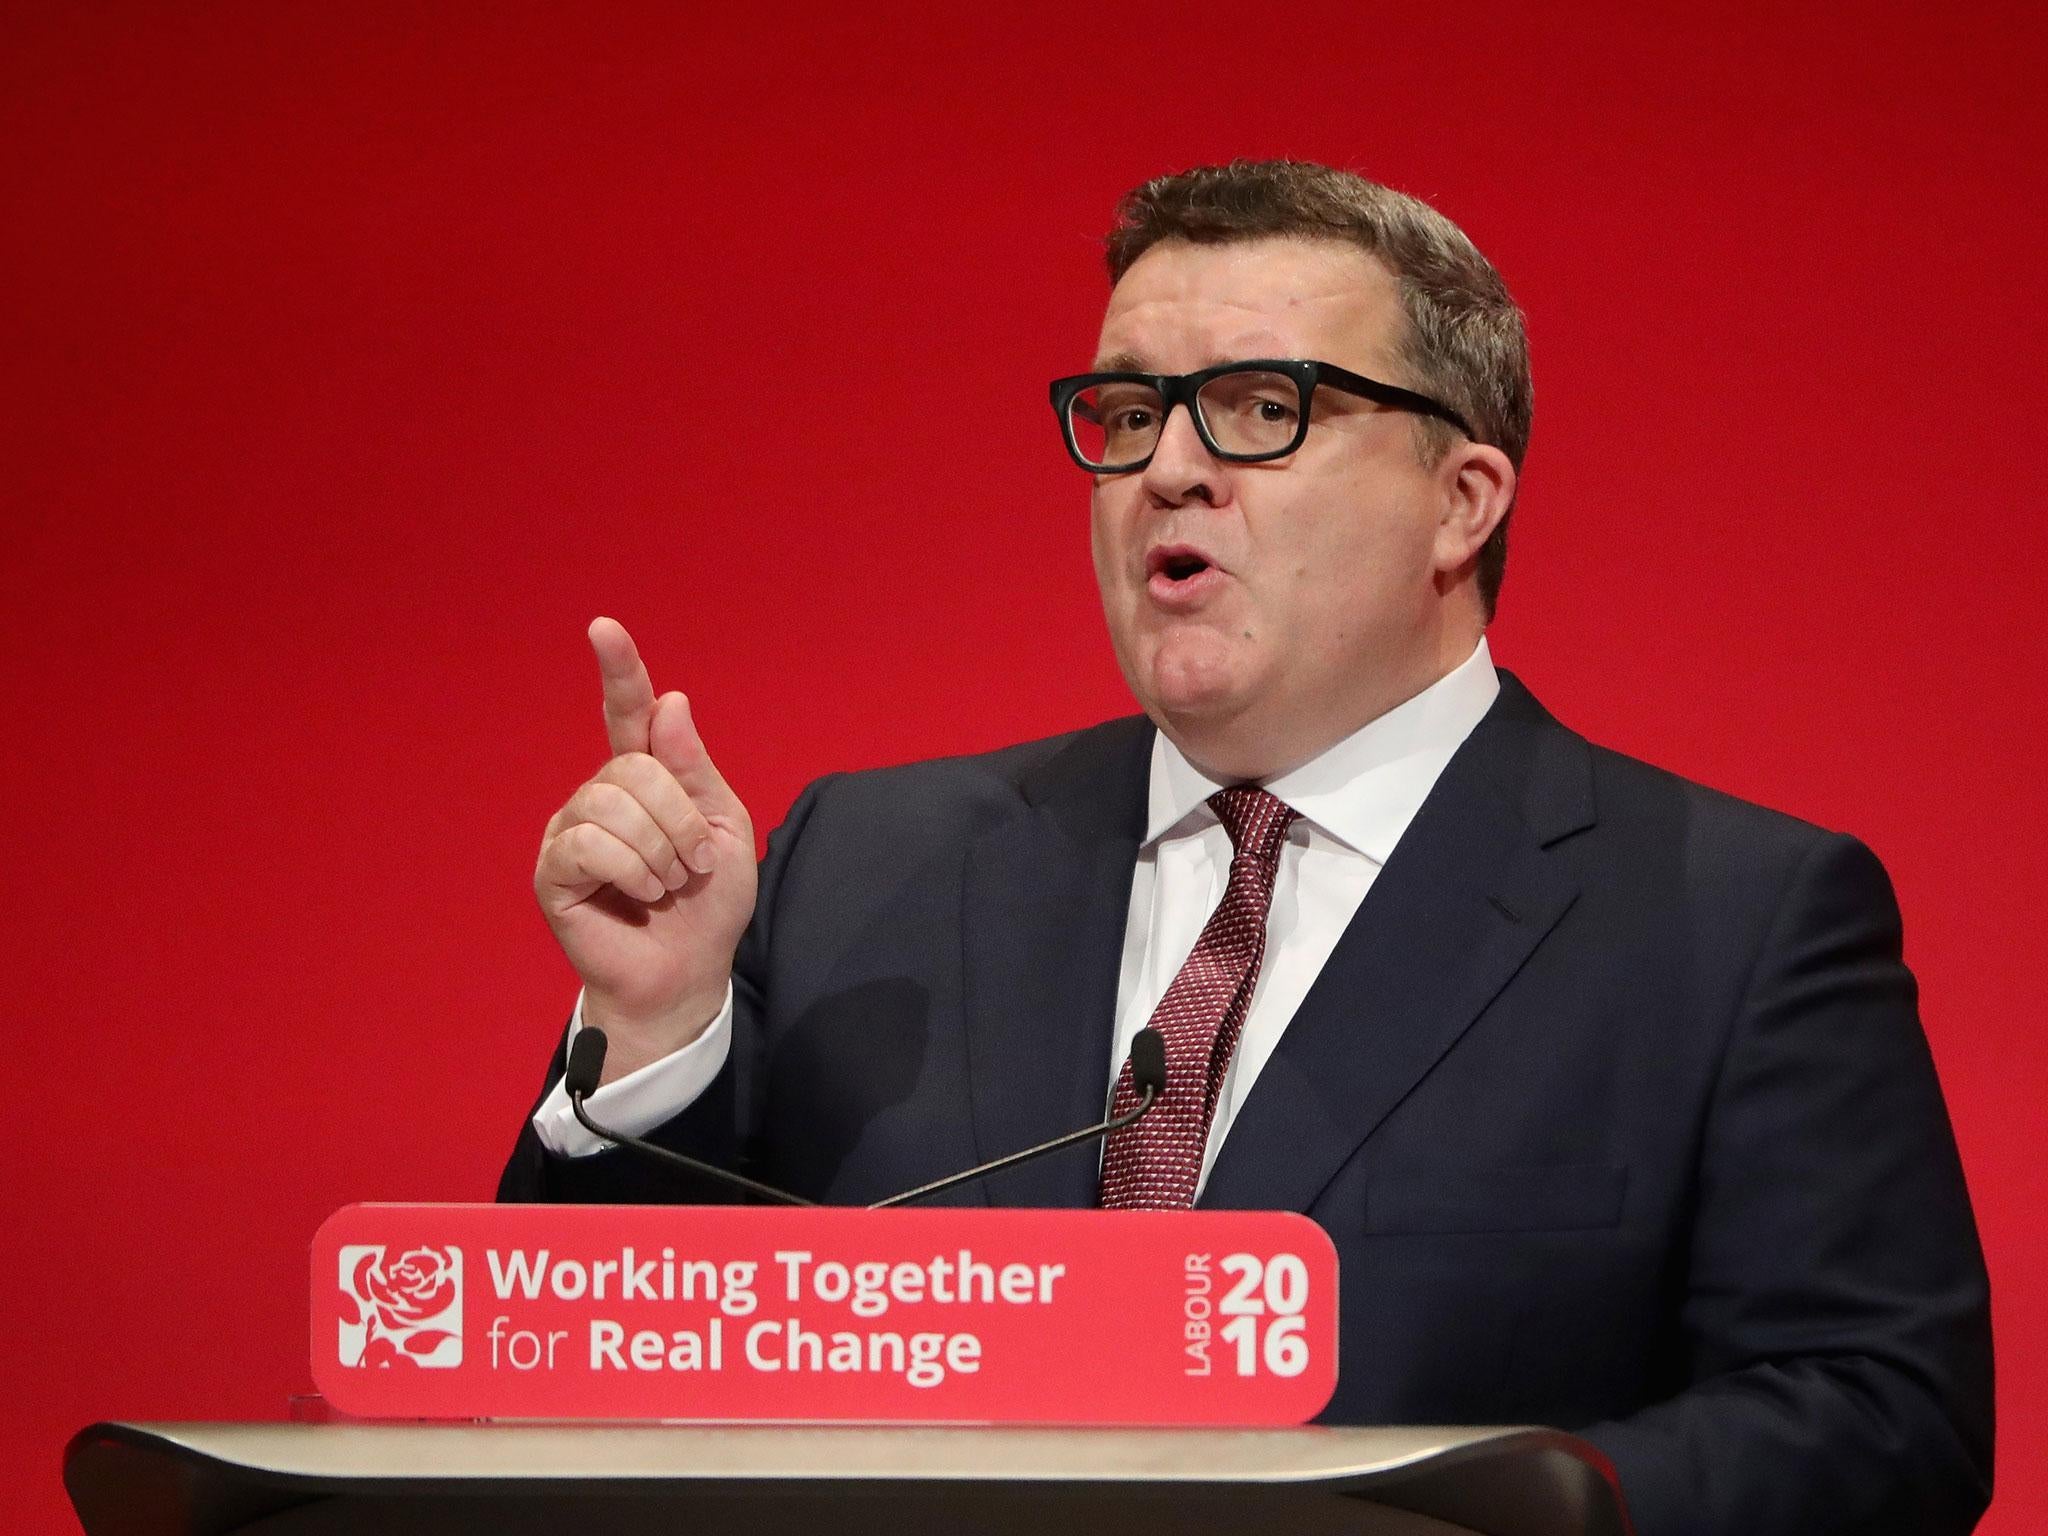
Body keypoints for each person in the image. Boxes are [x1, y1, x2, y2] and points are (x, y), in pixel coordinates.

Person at [499, 161, 1993, 1535]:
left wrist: (1455, 1517)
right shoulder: (866, 860)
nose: (1169, 470)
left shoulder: (1731, 921)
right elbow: (593, 1375)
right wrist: (656, 1027)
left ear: (1460, 504)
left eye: (1261, 406)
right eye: (1134, 412)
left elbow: (1881, 1417)